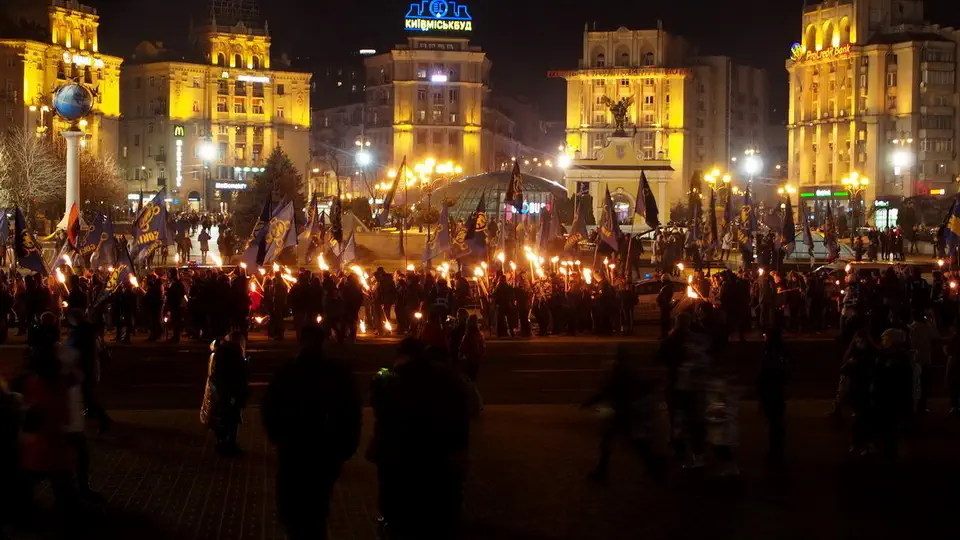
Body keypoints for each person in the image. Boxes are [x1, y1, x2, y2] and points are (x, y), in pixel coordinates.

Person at [261, 326, 362, 540]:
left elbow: (269, 409)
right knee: (317, 508)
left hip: (293, 450)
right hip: (326, 452)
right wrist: (345, 448)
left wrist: (278, 438)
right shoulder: (337, 373)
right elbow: (352, 413)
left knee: (294, 511)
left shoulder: (287, 371)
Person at [369, 338, 470, 539]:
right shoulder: (445, 379)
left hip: (400, 456)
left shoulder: (393, 380)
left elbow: (382, 412)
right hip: (436, 456)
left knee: (399, 509)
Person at [582, 345, 663, 485]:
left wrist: (590, 401)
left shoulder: (619, 371)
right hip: (624, 410)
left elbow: (609, 390)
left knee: (622, 442)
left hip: (622, 411)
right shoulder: (625, 370)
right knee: (625, 442)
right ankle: (654, 465)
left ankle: (655, 465)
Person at [200, 331, 250, 456]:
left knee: (225, 418)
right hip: (229, 393)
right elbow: (235, 376)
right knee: (230, 418)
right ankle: (227, 444)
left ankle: (224, 443)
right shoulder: (231, 355)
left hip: (225, 393)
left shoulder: (221, 353)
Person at [757, 327, 788, 463]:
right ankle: (777, 449)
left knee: (774, 423)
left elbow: (765, 374)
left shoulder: (770, 354)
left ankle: (776, 451)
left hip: (771, 392)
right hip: (777, 392)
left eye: (765, 336)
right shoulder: (779, 353)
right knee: (776, 422)